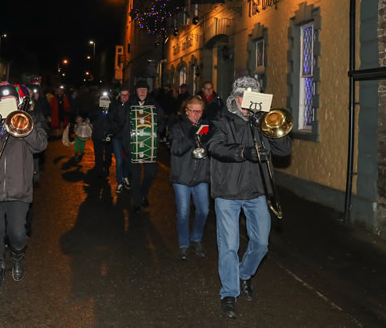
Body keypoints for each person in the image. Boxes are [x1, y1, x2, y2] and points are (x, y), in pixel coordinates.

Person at [206, 76, 291, 318]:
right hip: (228, 193)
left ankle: (244, 275)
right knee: (229, 246)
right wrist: (244, 152)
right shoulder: (222, 120)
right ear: (236, 98)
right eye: (244, 96)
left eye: (253, 97)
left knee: (262, 244)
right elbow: (215, 147)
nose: (247, 102)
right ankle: (229, 293)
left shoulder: (261, 122)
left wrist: (273, 127)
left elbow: (283, 151)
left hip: (257, 192)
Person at [0, 82, 48, 299]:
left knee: (17, 233)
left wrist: (23, 129)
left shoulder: (29, 119)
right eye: (2, 101)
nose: (6, 104)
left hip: (18, 188)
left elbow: (41, 144)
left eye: (10, 101)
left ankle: (18, 255)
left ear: (17, 102)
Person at [168, 95, 210, 260]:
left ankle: (196, 238)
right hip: (182, 177)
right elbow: (176, 149)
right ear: (186, 112)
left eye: (199, 112)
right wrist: (191, 136)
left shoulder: (206, 127)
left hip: (200, 176)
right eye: (193, 111)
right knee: (183, 212)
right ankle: (184, 244)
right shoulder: (177, 127)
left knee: (204, 211)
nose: (196, 115)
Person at [122, 79, 166, 213]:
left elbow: (161, 121)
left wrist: (157, 131)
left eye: (145, 90)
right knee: (135, 176)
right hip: (132, 145)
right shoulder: (129, 105)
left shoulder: (154, 105)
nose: (142, 92)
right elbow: (119, 120)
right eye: (140, 90)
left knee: (150, 174)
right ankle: (136, 203)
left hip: (149, 146)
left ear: (148, 91)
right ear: (136, 91)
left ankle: (142, 195)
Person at [87, 92, 113, 178]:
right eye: (102, 99)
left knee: (108, 154)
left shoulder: (112, 109)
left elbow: (115, 119)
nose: (104, 101)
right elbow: (90, 115)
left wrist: (108, 109)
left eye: (106, 99)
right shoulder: (95, 108)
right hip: (98, 135)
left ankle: (106, 167)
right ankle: (99, 170)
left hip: (108, 135)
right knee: (98, 154)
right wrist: (100, 108)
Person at [109, 87, 130, 192]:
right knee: (119, 161)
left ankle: (125, 176)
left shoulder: (131, 106)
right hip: (117, 137)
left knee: (127, 159)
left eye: (126, 95)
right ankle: (119, 183)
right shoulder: (114, 105)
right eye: (122, 95)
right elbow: (110, 119)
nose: (124, 97)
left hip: (127, 138)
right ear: (119, 95)